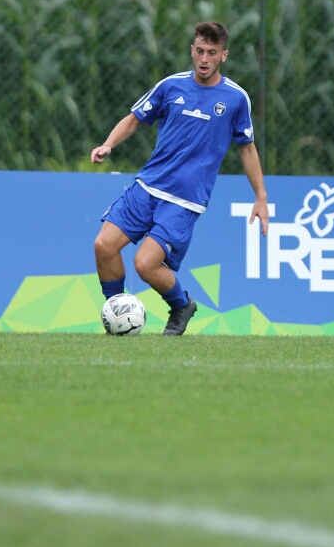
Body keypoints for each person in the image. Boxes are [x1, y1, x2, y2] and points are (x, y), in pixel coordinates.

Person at [92, 21, 269, 335]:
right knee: (104, 246)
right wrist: (108, 144)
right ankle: (117, 318)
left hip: (184, 200)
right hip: (147, 186)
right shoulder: (170, 86)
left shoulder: (235, 98)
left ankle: (181, 306)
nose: (204, 58)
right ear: (192, 50)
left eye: (212, 53)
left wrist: (261, 197)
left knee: (145, 265)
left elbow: (247, 149)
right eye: (199, 51)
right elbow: (135, 119)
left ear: (223, 56)